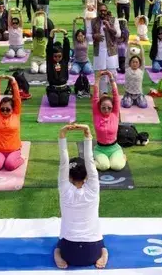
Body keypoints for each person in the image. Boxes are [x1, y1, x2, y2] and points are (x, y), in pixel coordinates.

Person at [54, 124, 108, 270]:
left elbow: (64, 163)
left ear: (69, 177)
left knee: (57, 247)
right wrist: (87, 134)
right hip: (92, 253)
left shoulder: (65, 189)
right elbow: (90, 161)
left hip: (69, 253)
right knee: (103, 244)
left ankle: (57, 255)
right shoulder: (93, 188)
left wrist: (62, 134)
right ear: (86, 176)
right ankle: (103, 253)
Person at [91, 71, 124, 171]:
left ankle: (122, 157)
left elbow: (116, 96)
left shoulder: (115, 114)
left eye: (109, 108)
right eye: (103, 108)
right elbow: (96, 96)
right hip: (100, 149)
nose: (106, 110)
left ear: (113, 108)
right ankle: (91, 161)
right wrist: (97, 78)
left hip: (114, 148)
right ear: (99, 107)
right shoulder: (97, 114)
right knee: (104, 166)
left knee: (116, 166)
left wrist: (111, 77)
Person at [0, 76, 25, 171]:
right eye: (2, 109)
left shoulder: (16, 113)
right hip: (0, 150)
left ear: (13, 109)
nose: (5, 111)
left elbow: (17, 98)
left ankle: (20, 159)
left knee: (9, 166)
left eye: (7, 109)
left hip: (14, 150)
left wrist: (13, 82)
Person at [90, 4, 120, 93]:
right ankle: (104, 93)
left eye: (104, 10)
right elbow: (87, 36)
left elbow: (118, 34)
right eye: (101, 10)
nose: (103, 12)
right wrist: (94, 36)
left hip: (111, 50)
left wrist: (109, 27)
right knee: (101, 73)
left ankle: (113, 91)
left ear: (107, 11)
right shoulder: (93, 21)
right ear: (98, 11)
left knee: (113, 73)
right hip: (99, 51)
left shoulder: (113, 20)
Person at [46, 29, 71, 107]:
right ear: (52, 56)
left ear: (62, 56)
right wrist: (51, 34)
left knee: (64, 103)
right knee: (54, 103)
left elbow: (67, 48)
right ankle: (50, 94)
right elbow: (49, 49)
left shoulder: (64, 60)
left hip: (63, 88)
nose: (57, 58)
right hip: (53, 88)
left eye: (59, 56)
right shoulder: (50, 61)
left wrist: (65, 34)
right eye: (55, 56)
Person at [122, 41, 147, 108]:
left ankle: (137, 100)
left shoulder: (141, 70)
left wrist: (140, 46)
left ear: (139, 64)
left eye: (136, 62)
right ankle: (127, 99)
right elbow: (127, 56)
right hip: (128, 93)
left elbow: (143, 58)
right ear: (130, 63)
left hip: (138, 94)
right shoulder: (127, 69)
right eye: (133, 62)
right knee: (126, 105)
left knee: (143, 105)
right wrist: (129, 45)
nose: (135, 63)